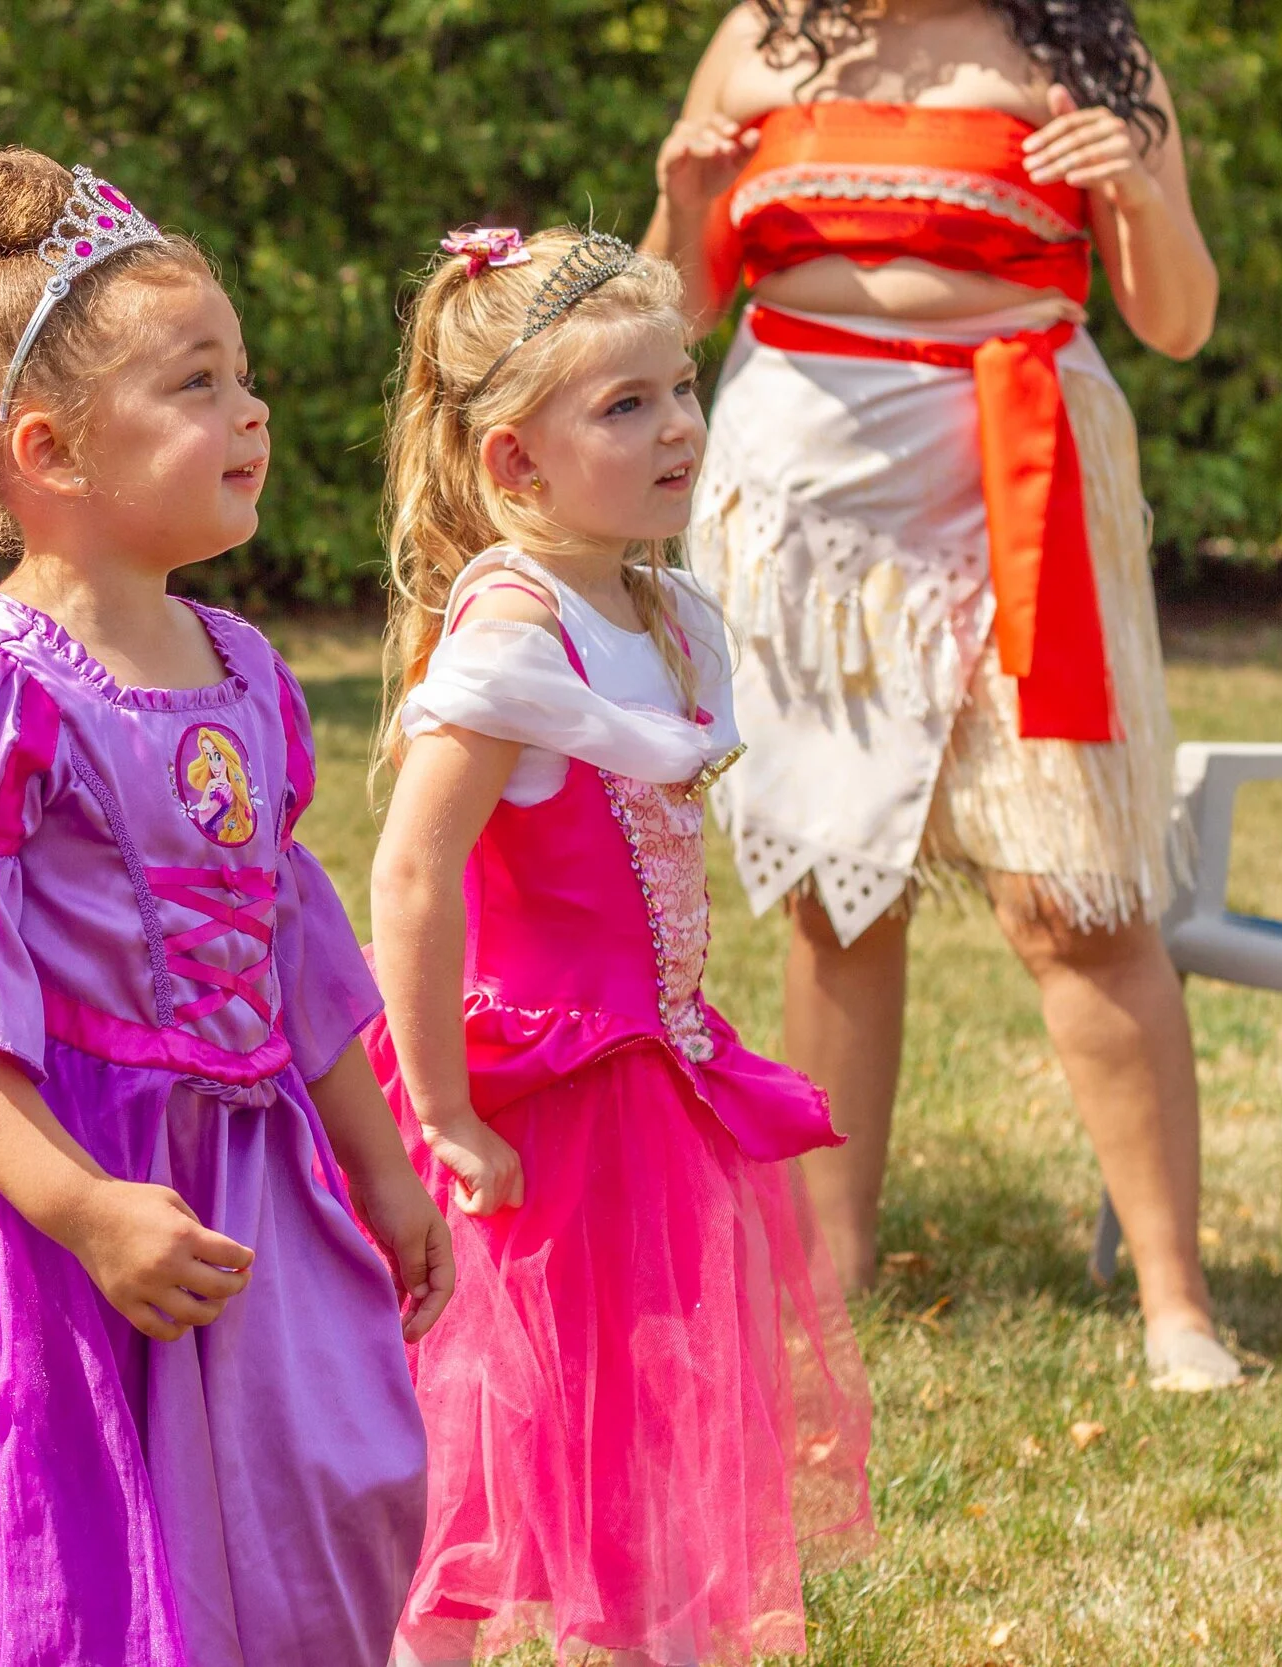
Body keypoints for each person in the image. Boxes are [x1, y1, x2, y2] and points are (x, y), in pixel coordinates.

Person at [0, 147, 452, 1667]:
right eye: (197, 384)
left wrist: (381, 1169)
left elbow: (295, 953)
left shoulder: (245, 672)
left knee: (311, 1497)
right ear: (52, 452)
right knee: (60, 1549)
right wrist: (85, 1208)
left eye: (243, 374)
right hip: (53, 1197)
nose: (251, 411)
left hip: (243, 1178)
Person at [639, 0, 1237, 1390]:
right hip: (804, 498)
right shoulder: (761, 38)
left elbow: (1181, 320)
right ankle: (830, 1273)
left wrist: (1136, 190)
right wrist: (684, 200)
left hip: (1018, 472)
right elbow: (676, 315)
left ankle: (1178, 1303)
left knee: (1075, 900)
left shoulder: (1085, 46)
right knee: (838, 889)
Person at [365, 226, 874, 1667]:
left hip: (652, 1086)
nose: (678, 428)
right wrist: (442, 1109)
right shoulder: (515, 634)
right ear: (517, 462)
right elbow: (413, 871)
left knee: (656, 1411)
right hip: (530, 1101)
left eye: (683, 388)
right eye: (627, 405)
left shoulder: (657, 608)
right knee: (483, 1427)